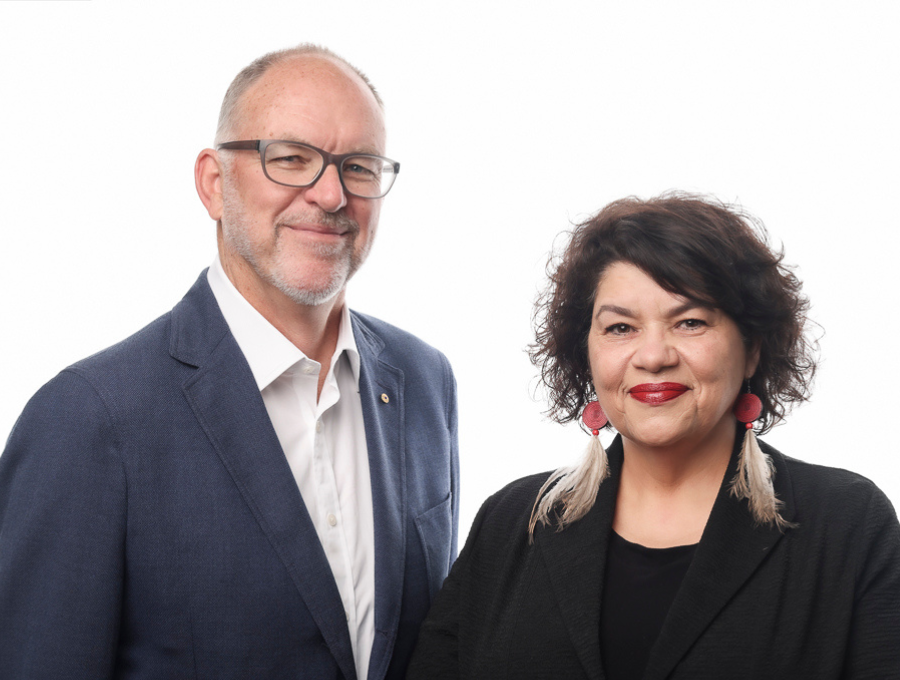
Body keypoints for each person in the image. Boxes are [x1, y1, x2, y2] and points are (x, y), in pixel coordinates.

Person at [0, 44, 458, 680]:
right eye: (291, 158)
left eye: (358, 166)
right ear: (214, 184)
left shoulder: (425, 382)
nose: (330, 195)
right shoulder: (87, 419)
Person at [407, 193, 900, 679]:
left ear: (751, 348)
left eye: (690, 322)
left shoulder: (847, 523)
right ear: (585, 353)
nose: (653, 356)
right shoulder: (514, 521)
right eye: (621, 328)